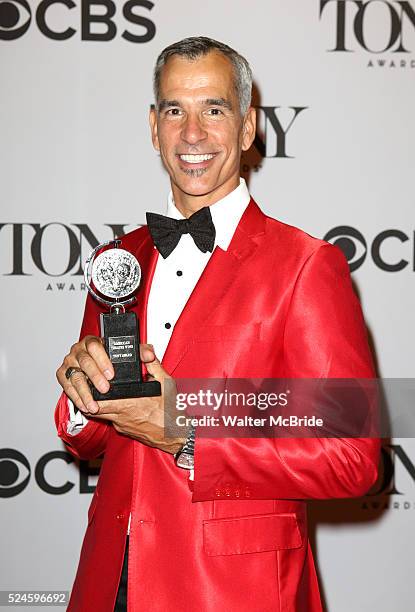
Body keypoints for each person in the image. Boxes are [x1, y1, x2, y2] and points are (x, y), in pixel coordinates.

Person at [55, 37, 379, 612]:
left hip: (232, 592)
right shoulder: (119, 259)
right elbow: (102, 439)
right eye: (175, 110)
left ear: (249, 125)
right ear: (154, 128)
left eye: (215, 109)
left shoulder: (307, 266)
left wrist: (187, 433)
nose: (193, 134)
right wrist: (84, 400)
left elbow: (351, 459)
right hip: (110, 578)